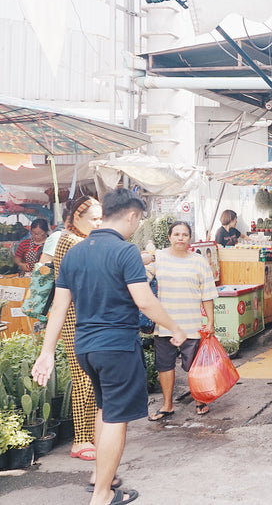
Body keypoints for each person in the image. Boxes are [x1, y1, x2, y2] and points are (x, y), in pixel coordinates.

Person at [31, 189, 186, 505]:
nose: (137, 225)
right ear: (131, 216)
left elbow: (59, 308)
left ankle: (102, 477)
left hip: (85, 348)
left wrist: (47, 352)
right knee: (117, 419)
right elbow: (144, 300)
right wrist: (175, 327)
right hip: (117, 348)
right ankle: (102, 495)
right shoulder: (125, 251)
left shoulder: (74, 252)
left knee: (106, 409)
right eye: (138, 220)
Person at [44, 197, 103, 461]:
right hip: (71, 318)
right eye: (93, 218)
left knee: (91, 379)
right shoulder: (70, 240)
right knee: (82, 379)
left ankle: (90, 434)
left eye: (101, 218)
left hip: (84, 316)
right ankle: (80, 440)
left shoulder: (84, 239)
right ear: (76, 218)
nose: (99, 223)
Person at [148, 221, 218, 421]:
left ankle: (199, 398)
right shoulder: (158, 258)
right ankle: (167, 405)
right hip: (164, 325)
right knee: (164, 365)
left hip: (192, 325)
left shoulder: (198, 261)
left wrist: (210, 322)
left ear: (190, 238)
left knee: (195, 367)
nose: (180, 238)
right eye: (176, 234)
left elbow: (207, 295)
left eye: (184, 234)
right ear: (169, 237)